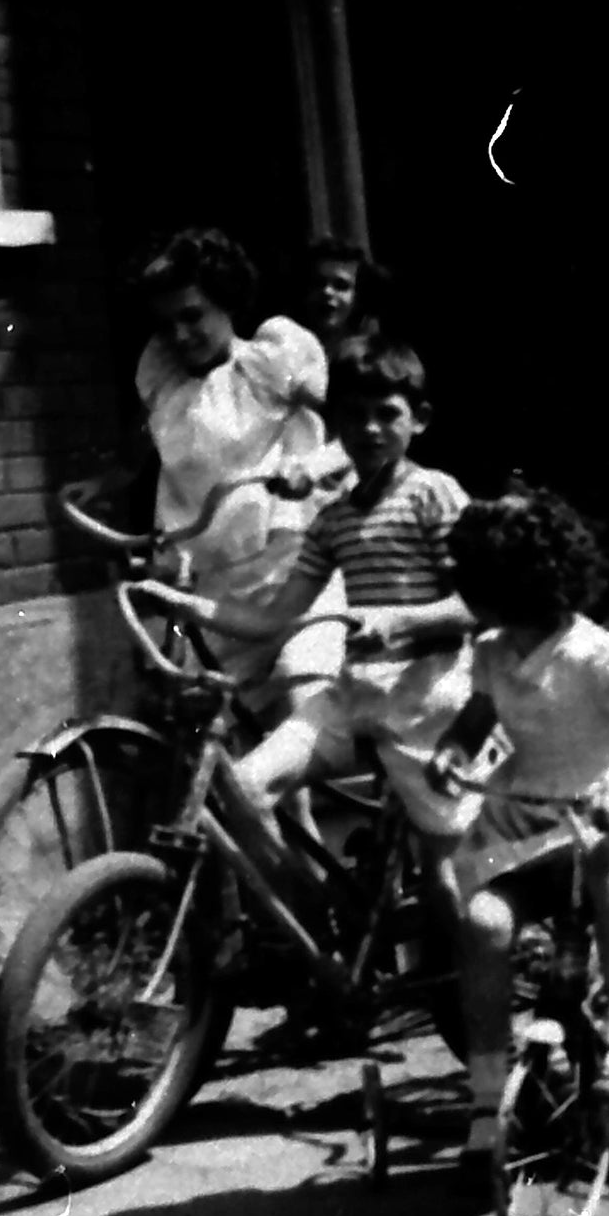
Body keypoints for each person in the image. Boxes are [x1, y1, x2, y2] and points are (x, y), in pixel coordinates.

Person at [428, 487, 609, 1173]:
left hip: (608, 816)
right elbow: (479, 713)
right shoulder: (494, 651)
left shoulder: (595, 654)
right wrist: (454, 750)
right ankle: (486, 1095)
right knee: (483, 922)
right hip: (528, 823)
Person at [152, 331, 481, 846]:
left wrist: (403, 621)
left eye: (387, 414)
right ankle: (307, 908)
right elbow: (271, 619)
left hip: (427, 701)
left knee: (451, 878)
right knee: (243, 788)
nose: (369, 429)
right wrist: (179, 603)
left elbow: (477, 604)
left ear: (419, 419)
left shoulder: (433, 494)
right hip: (355, 698)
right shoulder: (332, 520)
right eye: (352, 415)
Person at [132, 226, 351, 708]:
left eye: (193, 316)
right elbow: (169, 453)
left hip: (292, 577)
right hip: (220, 596)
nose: (180, 335)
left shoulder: (268, 362)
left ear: (227, 304)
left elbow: (352, 430)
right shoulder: (168, 385)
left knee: (303, 695)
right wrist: (109, 479)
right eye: (168, 323)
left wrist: (314, 467)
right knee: (201, 717)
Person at [298, 235, 392, 354]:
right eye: (318, 283)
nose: (327, 291)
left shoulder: (378, 361)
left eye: (341, 286)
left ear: (358, 297)